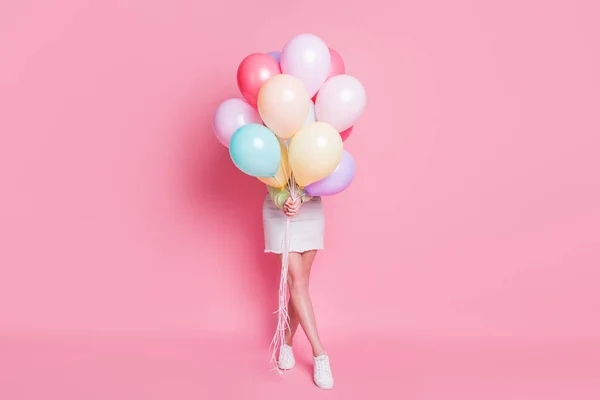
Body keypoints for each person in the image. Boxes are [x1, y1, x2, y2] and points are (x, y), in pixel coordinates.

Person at [263, 180, 334, 390]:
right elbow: (267, 171)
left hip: (310, 208)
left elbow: (322, 170)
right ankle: (320, 354)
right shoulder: (274, 144)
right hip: (279, 211)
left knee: (301, 283)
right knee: (297, 281)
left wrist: (302, 197)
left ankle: (286, 342)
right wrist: (285, 200)